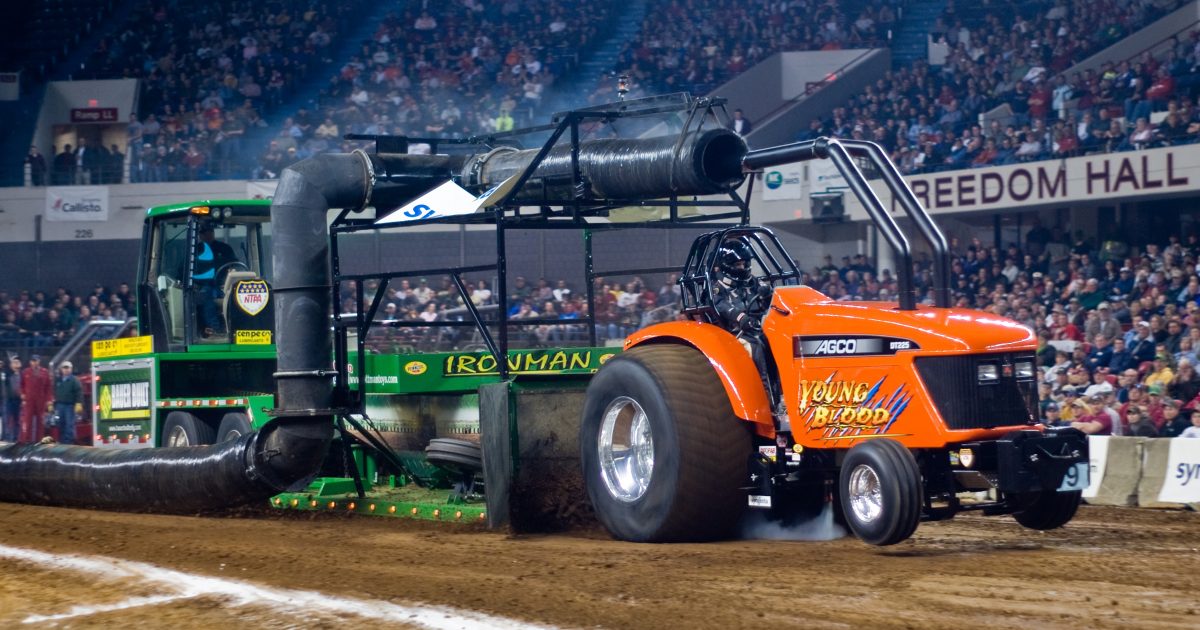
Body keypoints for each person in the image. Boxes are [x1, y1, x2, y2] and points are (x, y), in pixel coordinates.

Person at [712, 236, 777, 409]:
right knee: (755, 347)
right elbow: (722, 306)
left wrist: (768, 293)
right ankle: (766, 398)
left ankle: (783, 393)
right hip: (733, 333)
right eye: (738, 265)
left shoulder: (752, 281)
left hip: (757, 328)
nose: (742, 268)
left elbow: (770, 296)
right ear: (728, 265)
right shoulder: (718, 287)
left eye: (744, 264)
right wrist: (741, 318)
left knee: (777, 342)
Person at [192, 221, 239, 336]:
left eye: (210, 232)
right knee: (205, 294)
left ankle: (240, 329)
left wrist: (232, 273)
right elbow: (184, 272)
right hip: (203, 287)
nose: (208, 235)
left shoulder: (225, 249)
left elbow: (235, 265)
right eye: (204, 233)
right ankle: (215, 330)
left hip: (224, 286)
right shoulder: (194, 252)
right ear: (199, 235)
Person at [18, 354, 52, 443]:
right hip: (29, 400)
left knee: (40, 422)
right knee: (27, 421)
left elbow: (48, 387)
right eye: (33, 361)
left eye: (36, 361)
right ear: (30, 362)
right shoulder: (25, 372)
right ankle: (26, 440)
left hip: (41, 400)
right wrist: (22, 394)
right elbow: (21, 385)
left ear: (39, 361)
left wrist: (49, 400)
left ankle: (39, 440)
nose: (34, 362)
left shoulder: (45, 372)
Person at [52, 360, 82, 445]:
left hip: (70, 406)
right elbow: (53, 391)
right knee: (60, 424)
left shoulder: (74, 380)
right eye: (64, 368)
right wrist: (52, 403)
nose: (66, 370)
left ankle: (69, 443)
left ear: (71, 369)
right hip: (59, 405)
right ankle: (62, 442)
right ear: (61, 369)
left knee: (69, 425)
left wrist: (78, 403)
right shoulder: (58, 380)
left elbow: (79, 392)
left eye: (67, 368)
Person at [1, 356, 19, 442]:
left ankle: (15, 438)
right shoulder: (6, 373)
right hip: (7, 400)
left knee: (16, 420)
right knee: (7, 419)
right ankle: (7, 438)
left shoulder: (19, 373)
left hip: (16, 400)